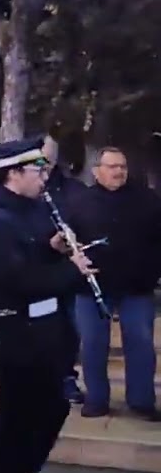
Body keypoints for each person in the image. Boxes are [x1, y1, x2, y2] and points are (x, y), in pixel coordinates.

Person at [0, 135, 94, 473]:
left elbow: (31, 255)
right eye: (37, 170)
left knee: (49, 406)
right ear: (13, 174)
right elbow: (16, 280)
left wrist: (53, 247)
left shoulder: (26, 209)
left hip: (46, 328)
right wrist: (71, 270)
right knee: (21, 412)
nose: (44, 176)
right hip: (19, 332)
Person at [64, 147, 161, 420]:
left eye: (122, 166)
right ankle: (96, 399)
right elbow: (66, 238)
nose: (118, 171)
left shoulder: (147, 200)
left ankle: (141, 401)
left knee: (140, 345)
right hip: (91, 287)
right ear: (97, 171)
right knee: (93, 345)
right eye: (112, 166)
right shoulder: (80, 202)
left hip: (136, 287)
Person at [41, 135, 88, 403]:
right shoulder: (22, 186)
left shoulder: (73, 190)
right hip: (37, 268)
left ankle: (66, 378)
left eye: (47, 160)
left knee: (68, 327)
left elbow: (84, 221)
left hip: (67, 269)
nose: (43, 166)